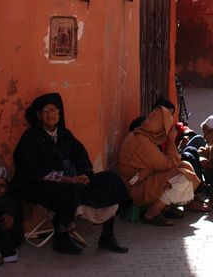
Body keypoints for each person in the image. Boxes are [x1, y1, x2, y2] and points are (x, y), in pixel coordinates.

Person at [12, 93, 129, 255]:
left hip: (73, 180)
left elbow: (81, 157)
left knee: (111, 180)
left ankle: (107, 237)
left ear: (60, 114)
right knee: (71, 190)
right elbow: (31, 169)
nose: (51, 115)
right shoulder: (31, 137)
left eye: (55, 111)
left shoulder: (65, 135)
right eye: (46, 111)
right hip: (38, 184)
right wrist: (68, 179)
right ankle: (62, 239)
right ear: (38, 115)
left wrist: (84, 175)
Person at [117, 106, 201, 226]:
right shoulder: (142, 142)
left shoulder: (145, 136)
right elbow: (170, 163)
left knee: (186, 166)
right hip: (134, 188)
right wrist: (171, 141)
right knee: (182, 175)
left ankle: (165, 206)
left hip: (144, 178)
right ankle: (152, 213)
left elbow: (169, 163)